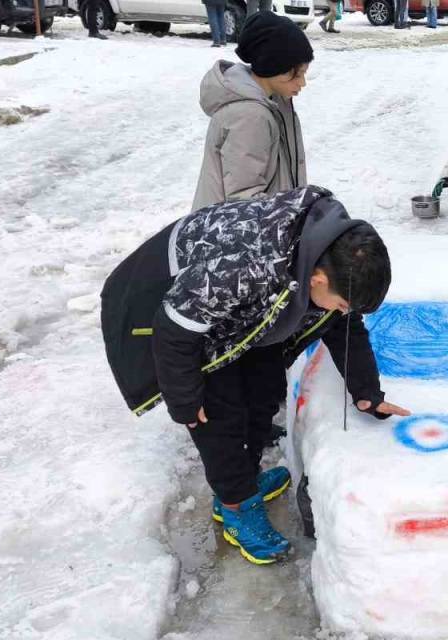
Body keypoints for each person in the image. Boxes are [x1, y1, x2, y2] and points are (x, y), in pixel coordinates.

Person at [100, 186, 411, 565]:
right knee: (219, 417)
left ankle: (243, 481)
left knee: (264, 394)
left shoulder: (333, 256)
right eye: (342, 304)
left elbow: (346, 326)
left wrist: (367, 392)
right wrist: (184, 398)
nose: (344, 312)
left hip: (239, 311)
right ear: (315, 279)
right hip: (168, 307)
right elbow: (174, 329)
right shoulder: (246, 265)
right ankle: (235, 506)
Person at [192, 11, 312, 212]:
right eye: (296, 75)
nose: (303, 83)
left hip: (260, 228)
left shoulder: (274, 100)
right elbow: (244, 199)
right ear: (273, 66)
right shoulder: (250, 116)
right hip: (232, 235)